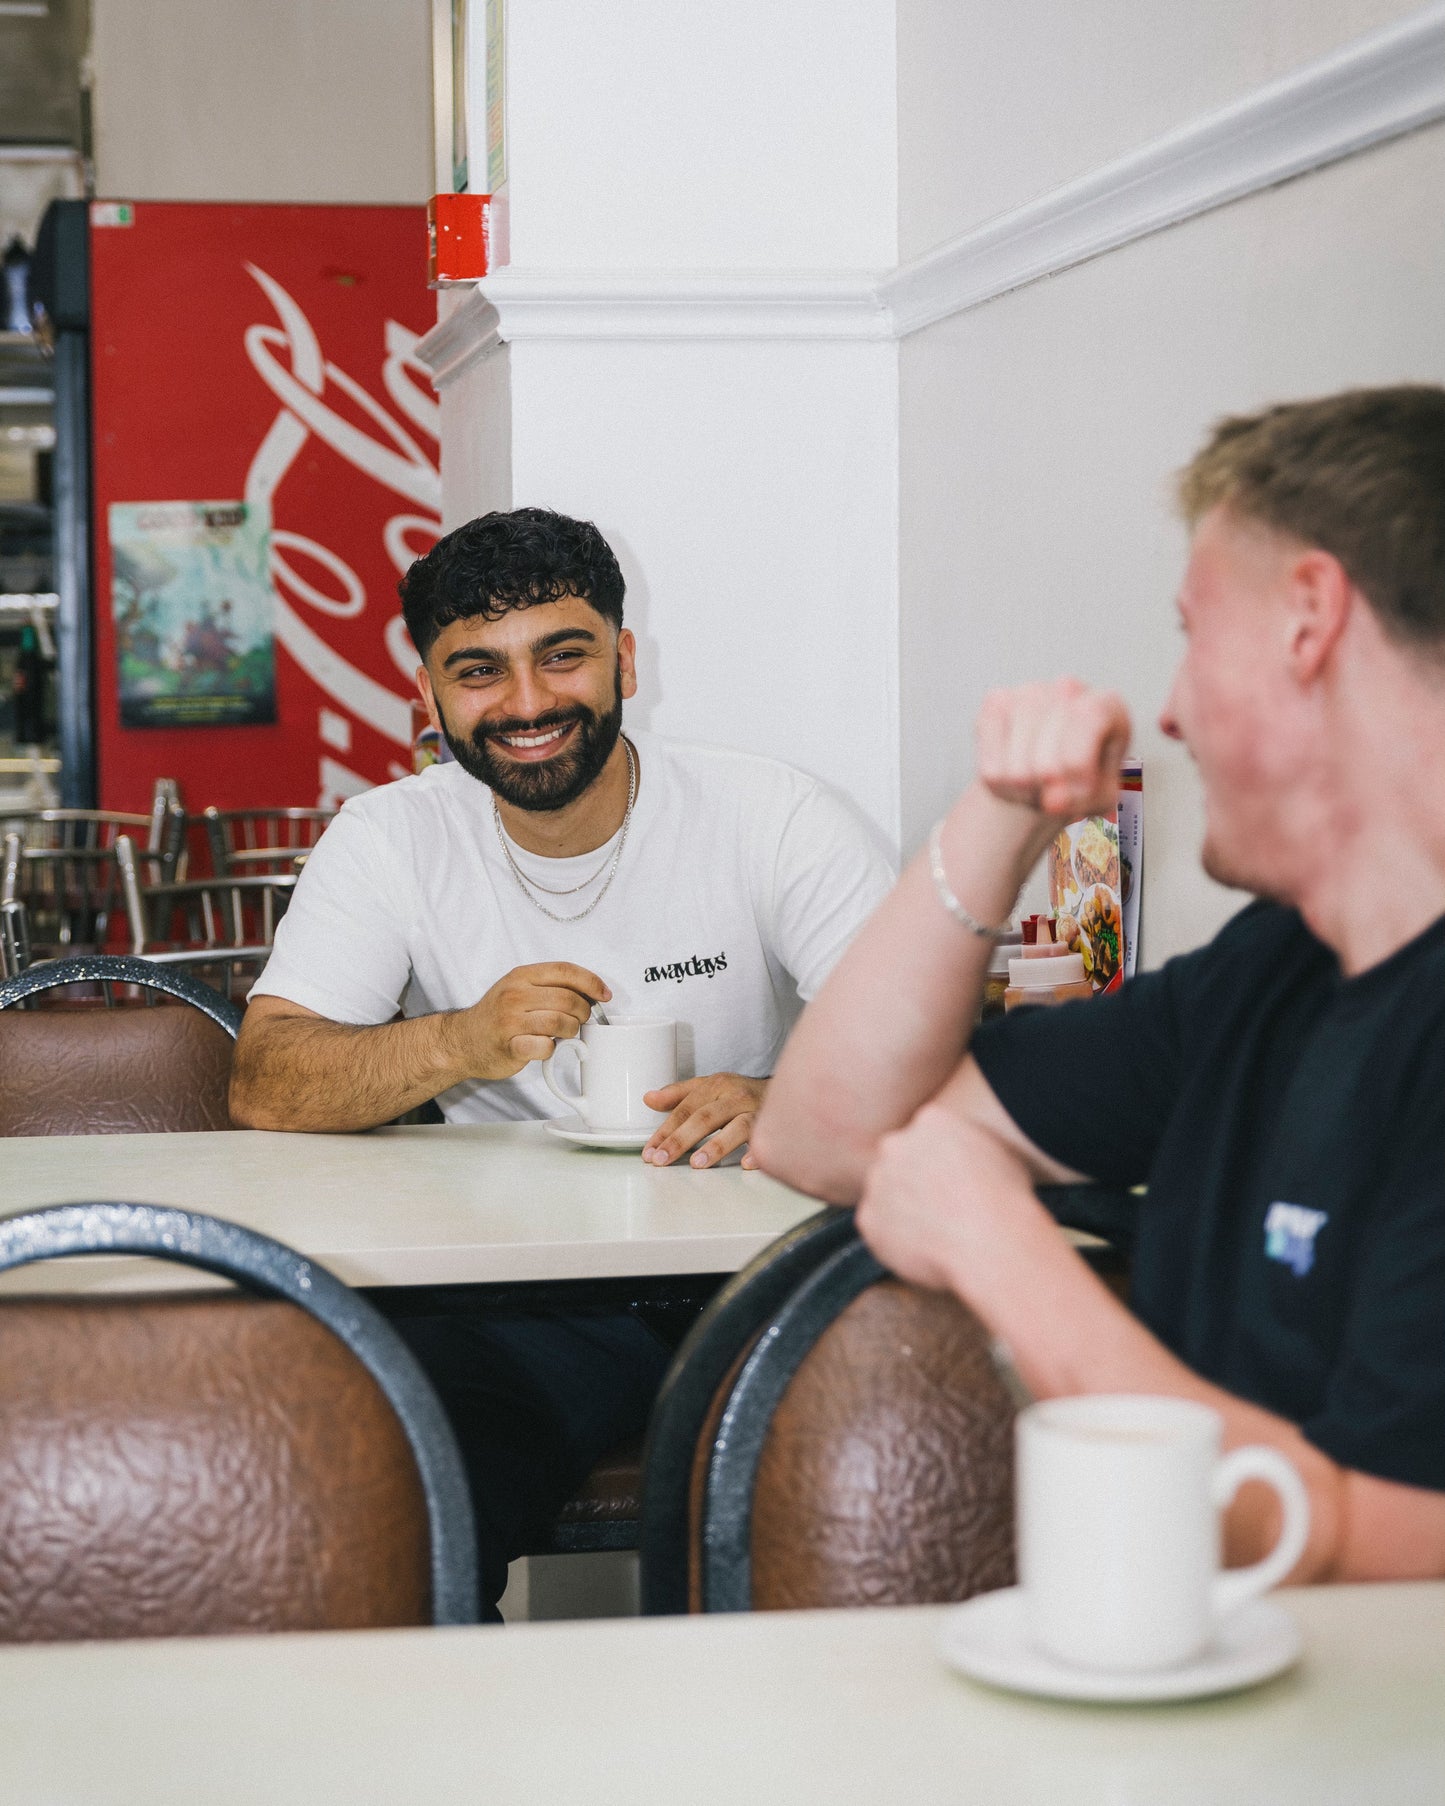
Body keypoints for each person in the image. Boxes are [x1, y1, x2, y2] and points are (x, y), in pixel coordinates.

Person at [754, 385, 1445, 1585]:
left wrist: (1004, 1257)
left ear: (1307, 619)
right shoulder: (1269, 969)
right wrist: (1003, 813)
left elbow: (1384, 1567)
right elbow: (821, 1132)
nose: (1167, 710)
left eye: (1191, 629)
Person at [230, 505, 892, 1615]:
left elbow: (924, 1042)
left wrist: (783, 1098)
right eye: (479, 671)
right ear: (427, 701)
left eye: (564, 655)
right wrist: (459, 1040)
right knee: (395, 1513)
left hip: (766, 1277)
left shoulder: (769, 813)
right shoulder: (391, 836)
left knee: (831, 1526)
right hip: (521, 1300)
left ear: (626, 659)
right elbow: (263, 1085)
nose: (528, 703)